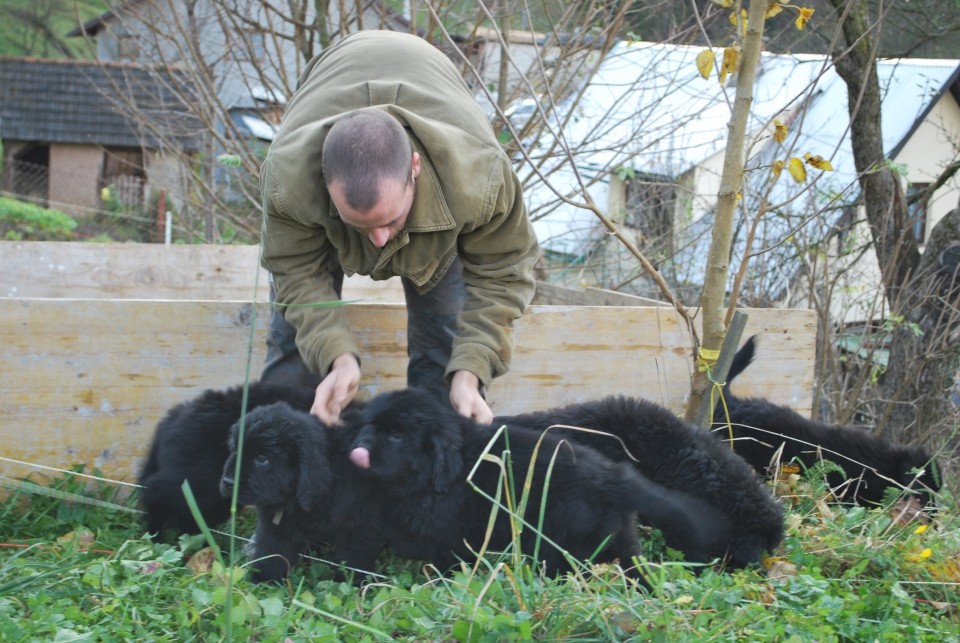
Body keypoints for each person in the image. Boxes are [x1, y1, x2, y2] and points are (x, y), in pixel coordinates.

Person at [259, 30, 541, 426]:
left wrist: (471, 369)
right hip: (331, 78)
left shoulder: (480, 181)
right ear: (324, 183)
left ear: (415, 169)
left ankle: (433, 475)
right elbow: (296, 273)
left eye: (390, 220)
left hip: (442, 158)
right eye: (359, 224)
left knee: (447, 349)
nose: (378, 240)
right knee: (294, 347)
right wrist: (336, 357)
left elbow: (503, 276)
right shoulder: (289, 181)